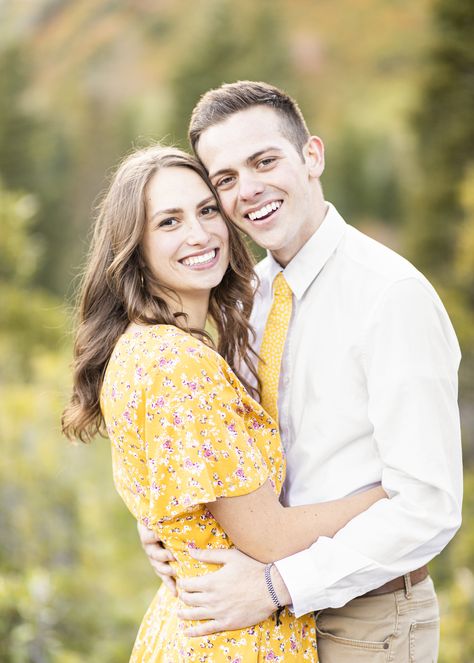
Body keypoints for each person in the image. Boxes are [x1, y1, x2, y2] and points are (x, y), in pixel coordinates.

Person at [139, 82, 463, 662]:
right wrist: (174, 527)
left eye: (265, 161)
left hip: (366, 621)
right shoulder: (243, 299)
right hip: (265, 626)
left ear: (312, 156)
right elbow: (229, 455)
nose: (250, 191)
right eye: (227, 179)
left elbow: (428, 506)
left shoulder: (390, 297)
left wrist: (277, 585)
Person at [61, 144, 388, 661]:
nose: (199, 234)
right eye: (169, 222)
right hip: (235, 641)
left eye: (207, 210)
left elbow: (171, 494)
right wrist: (391, 496)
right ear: (135, 246)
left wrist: (167, 533)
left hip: (188, 628)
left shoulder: (140, 346)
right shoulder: (180, 364)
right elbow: (269, 537)